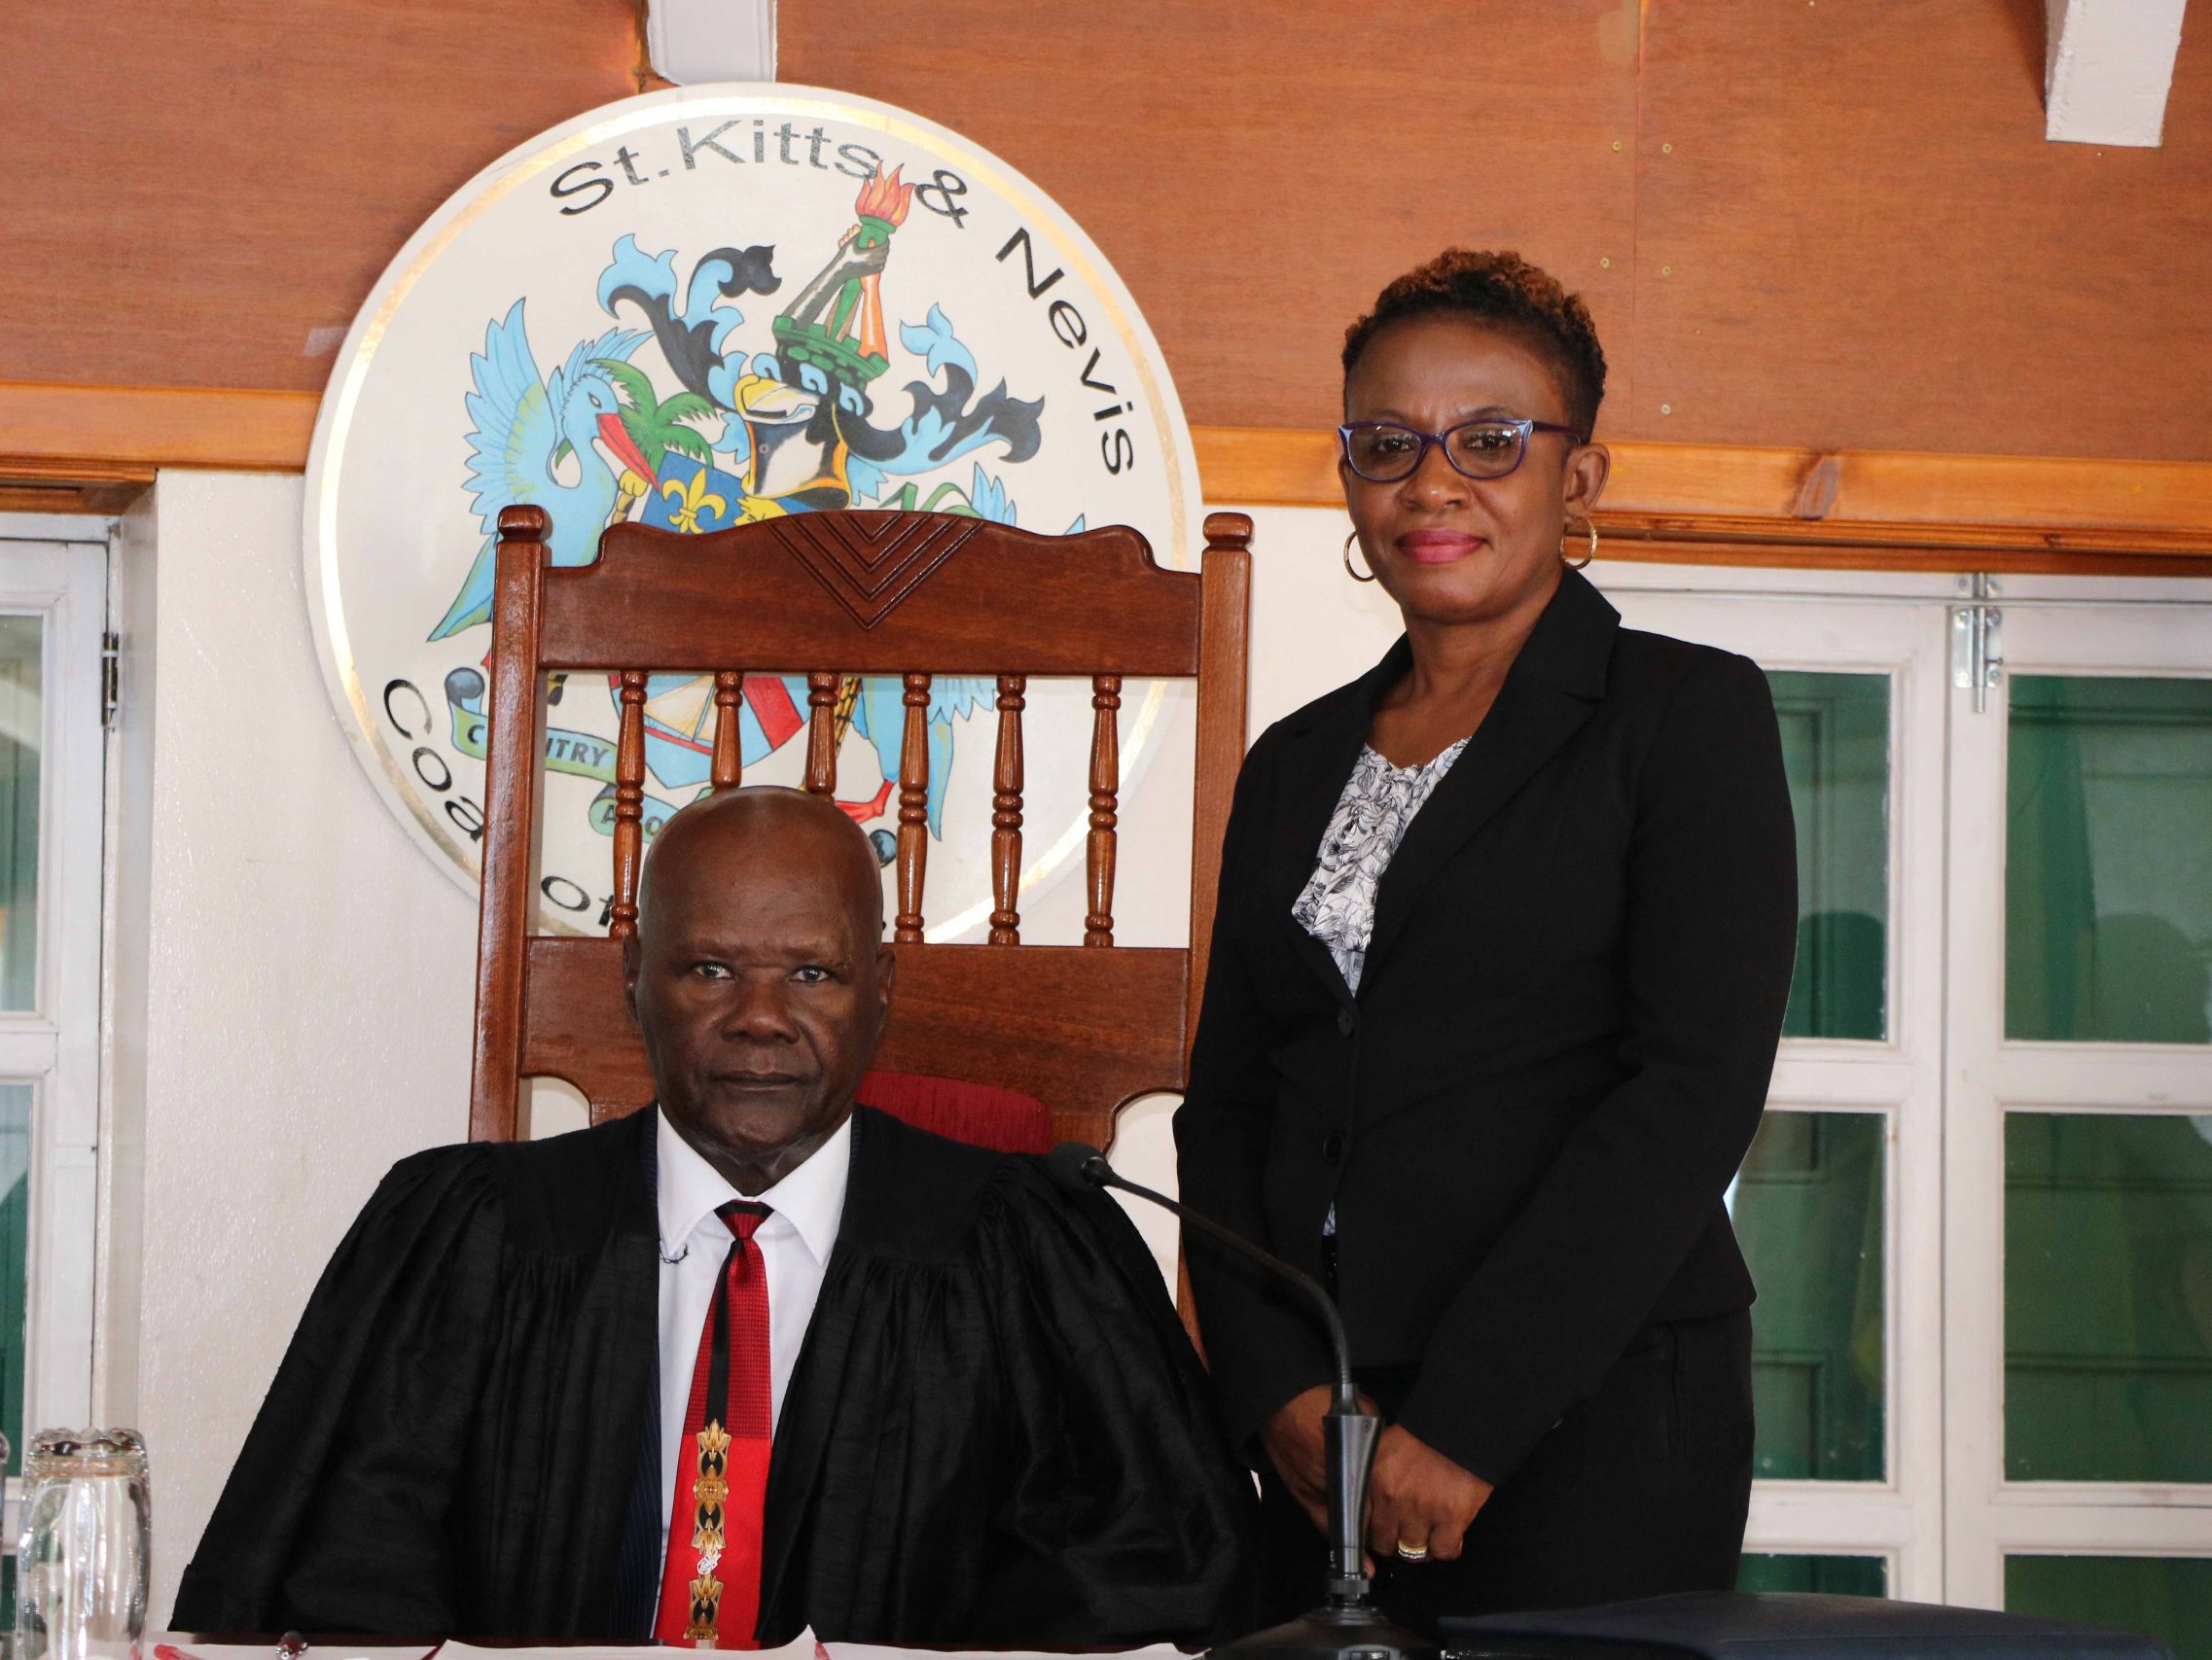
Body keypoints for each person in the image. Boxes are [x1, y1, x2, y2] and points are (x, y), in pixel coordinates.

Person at [173, 787, 1256, 1645]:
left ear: (880, 988)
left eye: (813, 974)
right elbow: (345, 1569)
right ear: (631, 982)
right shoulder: (469, 1237)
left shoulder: (1031, 1253)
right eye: (708, 970)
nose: (761, 1021)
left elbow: (1154, 1570)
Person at [1175, 249, 1798, 1631]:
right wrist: (1274, 1385)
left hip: (1592, 1399)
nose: (1432, 482)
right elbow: (1224, 1104)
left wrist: (1466, 1422)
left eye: (1491, 441)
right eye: (1388, 442)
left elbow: (1689, 1092)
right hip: (1319, 1426)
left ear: (1578, 479)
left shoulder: (1683, 717)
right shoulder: (1292, 760)